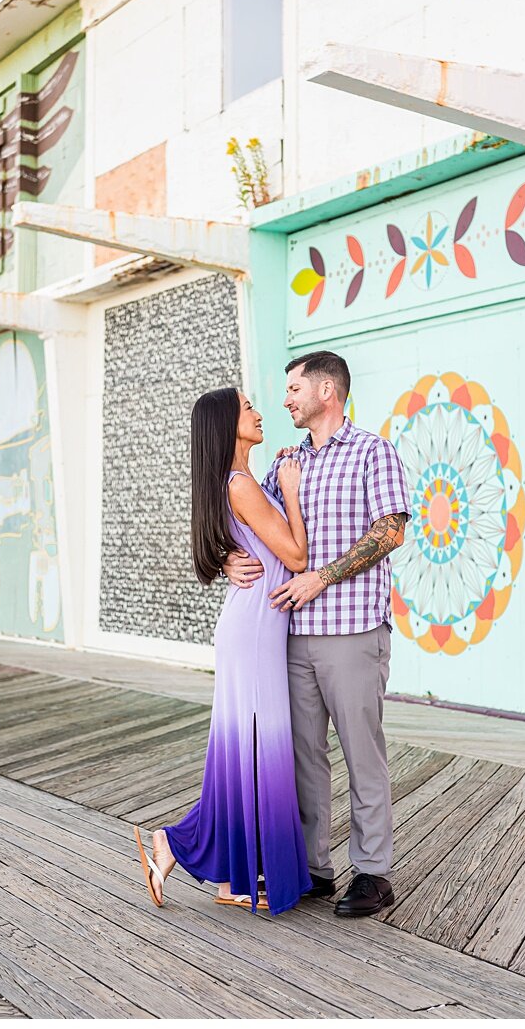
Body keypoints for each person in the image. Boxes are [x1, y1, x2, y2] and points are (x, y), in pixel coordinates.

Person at [222, 351, 410, 918]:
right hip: (292, 636)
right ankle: (314, 869)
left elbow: (391, 532)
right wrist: (227, 558)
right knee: (303, 757)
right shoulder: (285, 463)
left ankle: (374, 873)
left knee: (361, 754)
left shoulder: (374, 452)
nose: (285, 400)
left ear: (327, 390)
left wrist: (320, 578)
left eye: (294, 388)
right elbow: (262, 531)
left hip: (352, 631)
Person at [135, 388, 315, 916]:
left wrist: (274, 484)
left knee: (243, 755)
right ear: (227, 425)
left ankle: (216, 870)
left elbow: (251, 546)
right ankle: (216, 865)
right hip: (255, 628)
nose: (260, 413)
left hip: (250, 623)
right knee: (257, 752)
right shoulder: (240, 485)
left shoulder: (238, 482)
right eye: (248, 408)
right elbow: (297, 556)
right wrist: (291, 489)